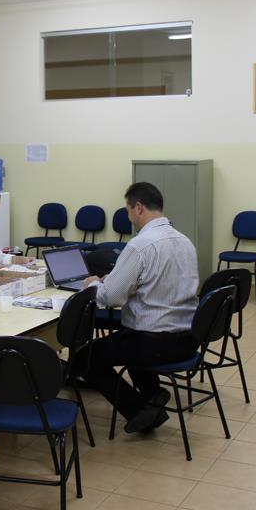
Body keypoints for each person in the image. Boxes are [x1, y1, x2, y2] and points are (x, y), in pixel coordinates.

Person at [79, 182, 199, 433]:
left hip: (154, 342)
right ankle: (153, 394)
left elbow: (111, 298)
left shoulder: (140, 245)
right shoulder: (185, 241)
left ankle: (139, 411)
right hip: (188, 338)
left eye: (128, 210)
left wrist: (92, 285)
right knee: (127, 336)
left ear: (139, 208)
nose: (129, 216)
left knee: (84, 359)